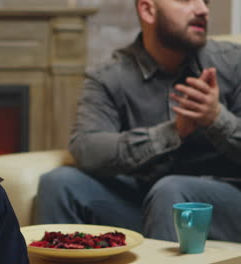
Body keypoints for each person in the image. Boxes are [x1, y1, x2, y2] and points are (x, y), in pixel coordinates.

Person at [35, 0, 241, 243]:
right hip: (147, 203)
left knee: (171, 192)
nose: (203, 9)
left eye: (205, 1)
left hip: (227, 205)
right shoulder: (108, 77)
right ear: (147, 10)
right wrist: (171, 133)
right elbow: (86, 147)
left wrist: (216, 118)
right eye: (186, 0)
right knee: (58, 184)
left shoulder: (234, 63)